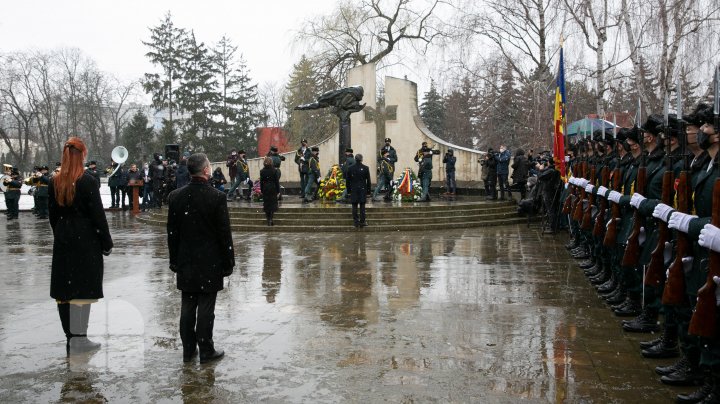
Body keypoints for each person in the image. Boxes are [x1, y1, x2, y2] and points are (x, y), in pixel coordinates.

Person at [167, 153, 234, 364]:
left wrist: (174, 260)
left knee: (187, 307)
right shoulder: (216, 197)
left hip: (186, 260)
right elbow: (224, 233)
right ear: (206, 170)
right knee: (206, 308)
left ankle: (188, 349)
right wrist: (228, 261)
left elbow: (172, 233)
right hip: (209, 261)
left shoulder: (176, 196)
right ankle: (206, 349)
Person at [49, 137, 113, 355]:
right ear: (82, 154)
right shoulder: (87, 181)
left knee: (65, 291)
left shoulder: (55, 181)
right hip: (85, 239)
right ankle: (80, 338)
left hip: (64, 238)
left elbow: (52, 216)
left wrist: (61, 234)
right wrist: (106, 241)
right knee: (82, 290)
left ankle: (71, 337)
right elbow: (97, 215)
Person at [346, 153, 372, 227]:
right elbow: (368, 181)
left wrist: (348, 191)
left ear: (355, 159)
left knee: (354, 206)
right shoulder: (365, 168)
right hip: (362, 189)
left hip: (354, 189)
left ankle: (356, 221)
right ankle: (362, 221)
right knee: (362, 206)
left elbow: (348, 181)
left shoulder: (350, 168)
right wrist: (368, 192)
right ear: (362, 159)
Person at [260, 157, 280, 226]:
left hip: (265, 188)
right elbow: (277, 182)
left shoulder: (262, 171)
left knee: (266, 204)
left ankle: (268, 219)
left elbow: (261, 182)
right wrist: (278, 191)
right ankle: (271, 219)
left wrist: (262, 190)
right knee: (272, 204)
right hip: (273, 188)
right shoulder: (274, 170)